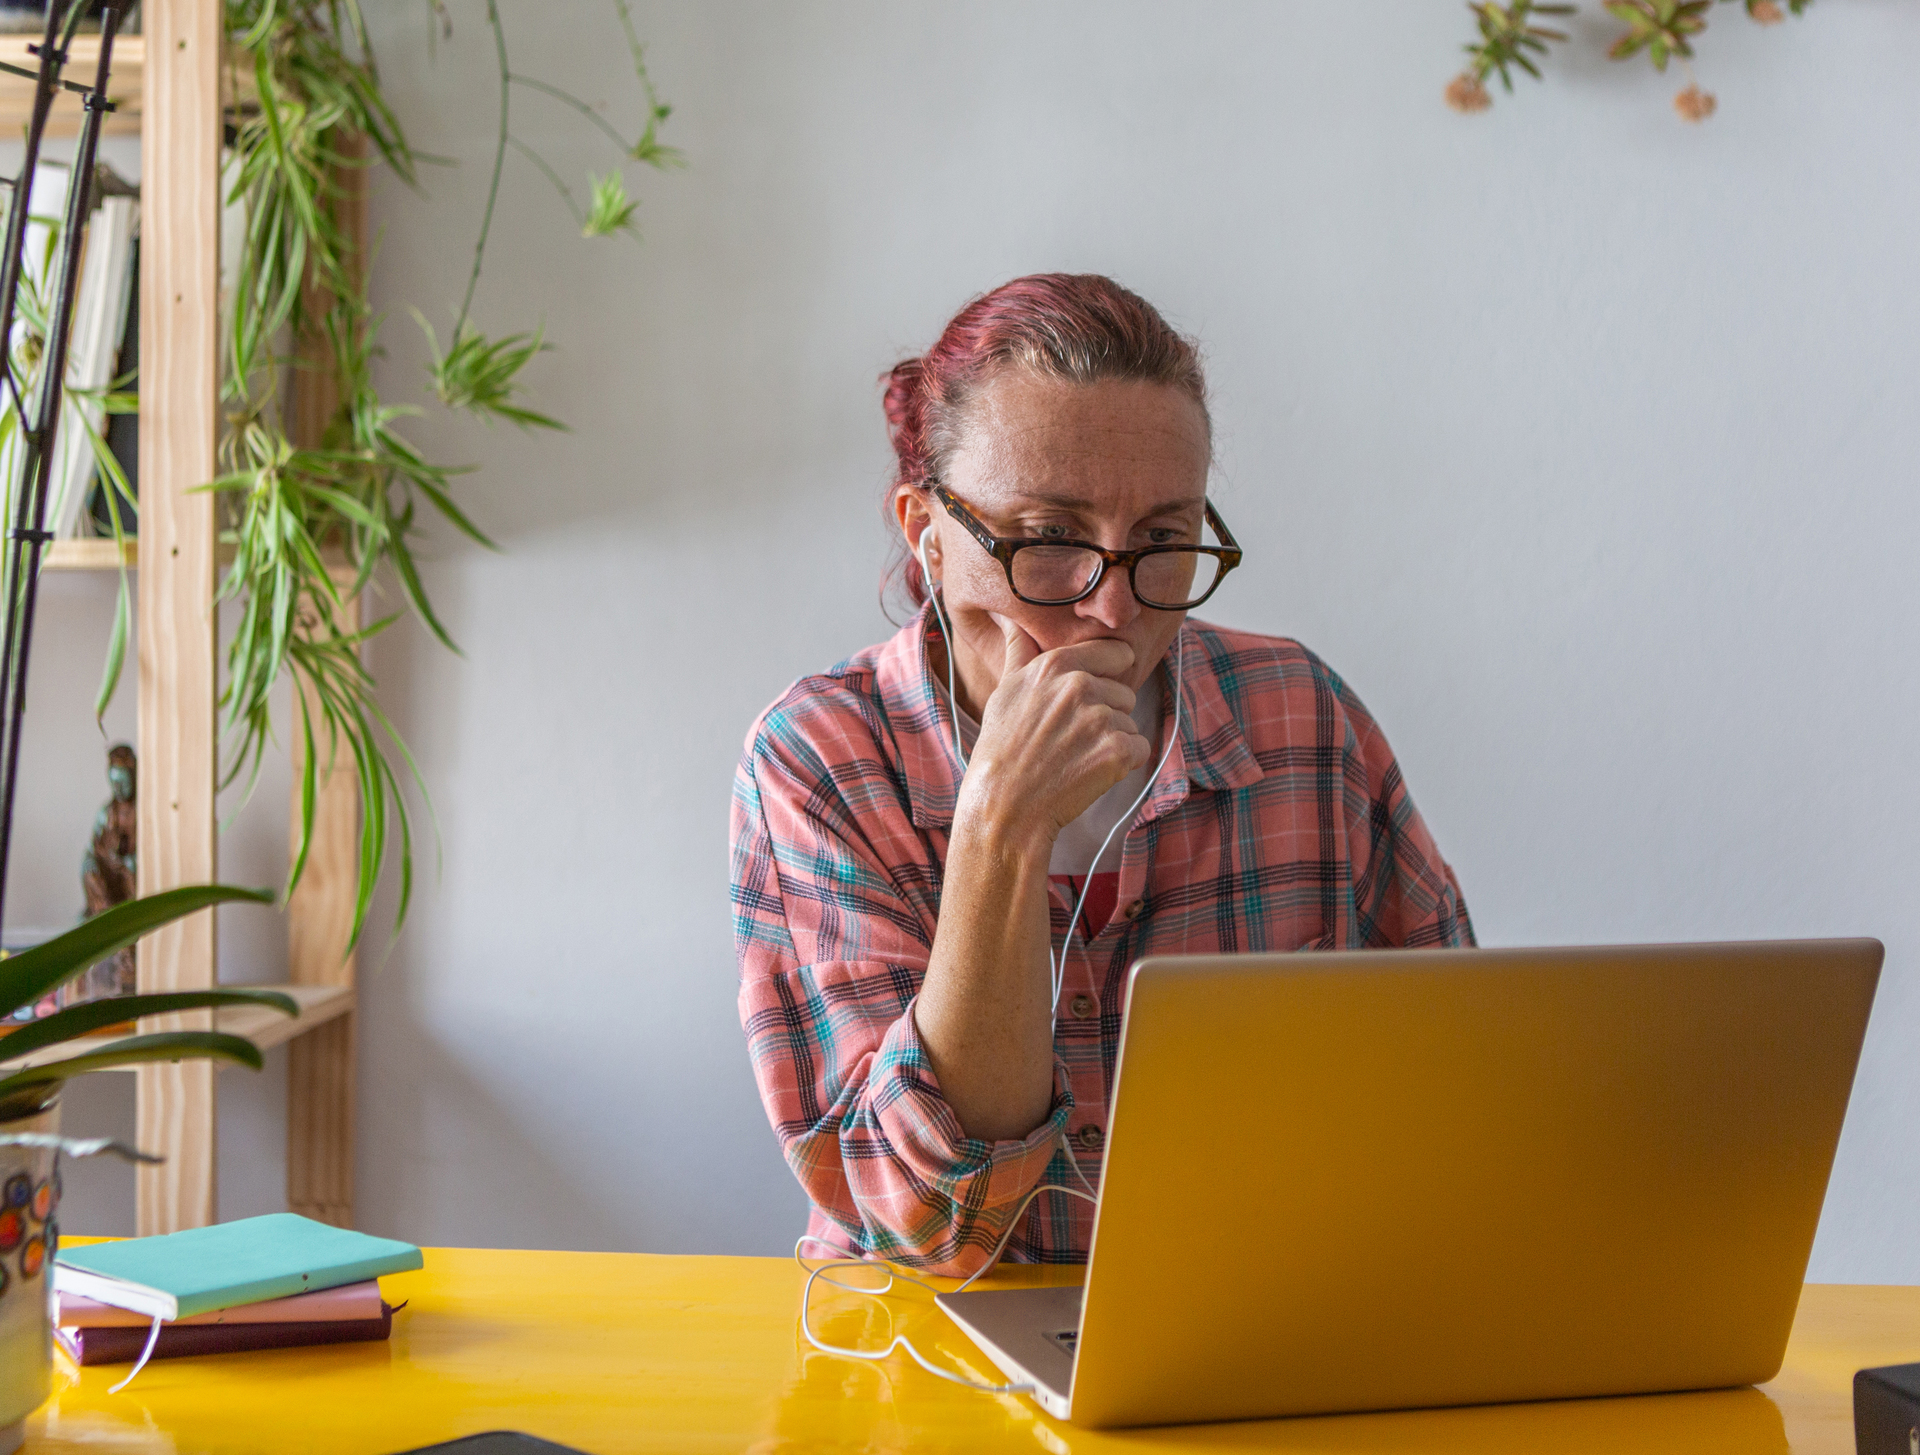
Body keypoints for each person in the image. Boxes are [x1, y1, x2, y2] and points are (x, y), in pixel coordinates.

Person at [731, 274, 1473, 1276]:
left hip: (1251, 1334)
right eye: (1047, 540)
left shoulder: (1303, 719)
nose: (1113, 611)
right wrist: (999, 828)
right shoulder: (824, 759)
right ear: (928, 535)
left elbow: (1464, 1095)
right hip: (931, 1363)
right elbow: (921, 1226)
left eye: (1163, 541)